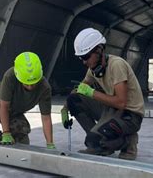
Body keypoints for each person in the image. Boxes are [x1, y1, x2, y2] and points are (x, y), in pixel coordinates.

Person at [61, 28, 144, 160]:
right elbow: (80, 88)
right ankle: (99, 145)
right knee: (74, 100)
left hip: (130, 115)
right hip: (111, 110)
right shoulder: (93, 69)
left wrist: (92, 93)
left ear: (99, 50)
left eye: (86, 57)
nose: (84, 61)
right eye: (81, 58)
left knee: (93, 140)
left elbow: (121, 103)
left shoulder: (116, 65)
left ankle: (128, 141)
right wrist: (65, 107)